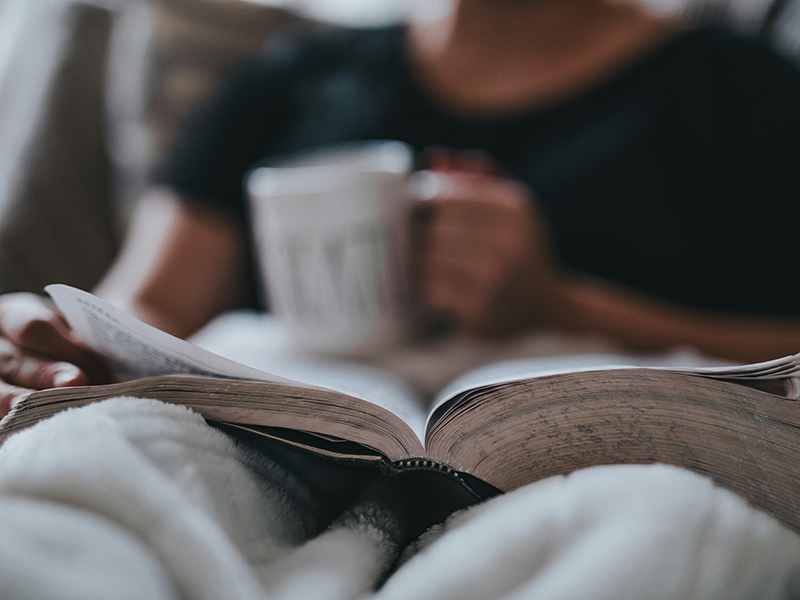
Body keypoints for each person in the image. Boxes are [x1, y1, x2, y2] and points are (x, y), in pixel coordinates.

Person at [2, 0, 800, 419]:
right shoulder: (287, 78)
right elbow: (148, 302)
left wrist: (555, 303)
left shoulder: (738, 88)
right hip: (273, 444)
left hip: (586, 467)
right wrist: (49, 340)